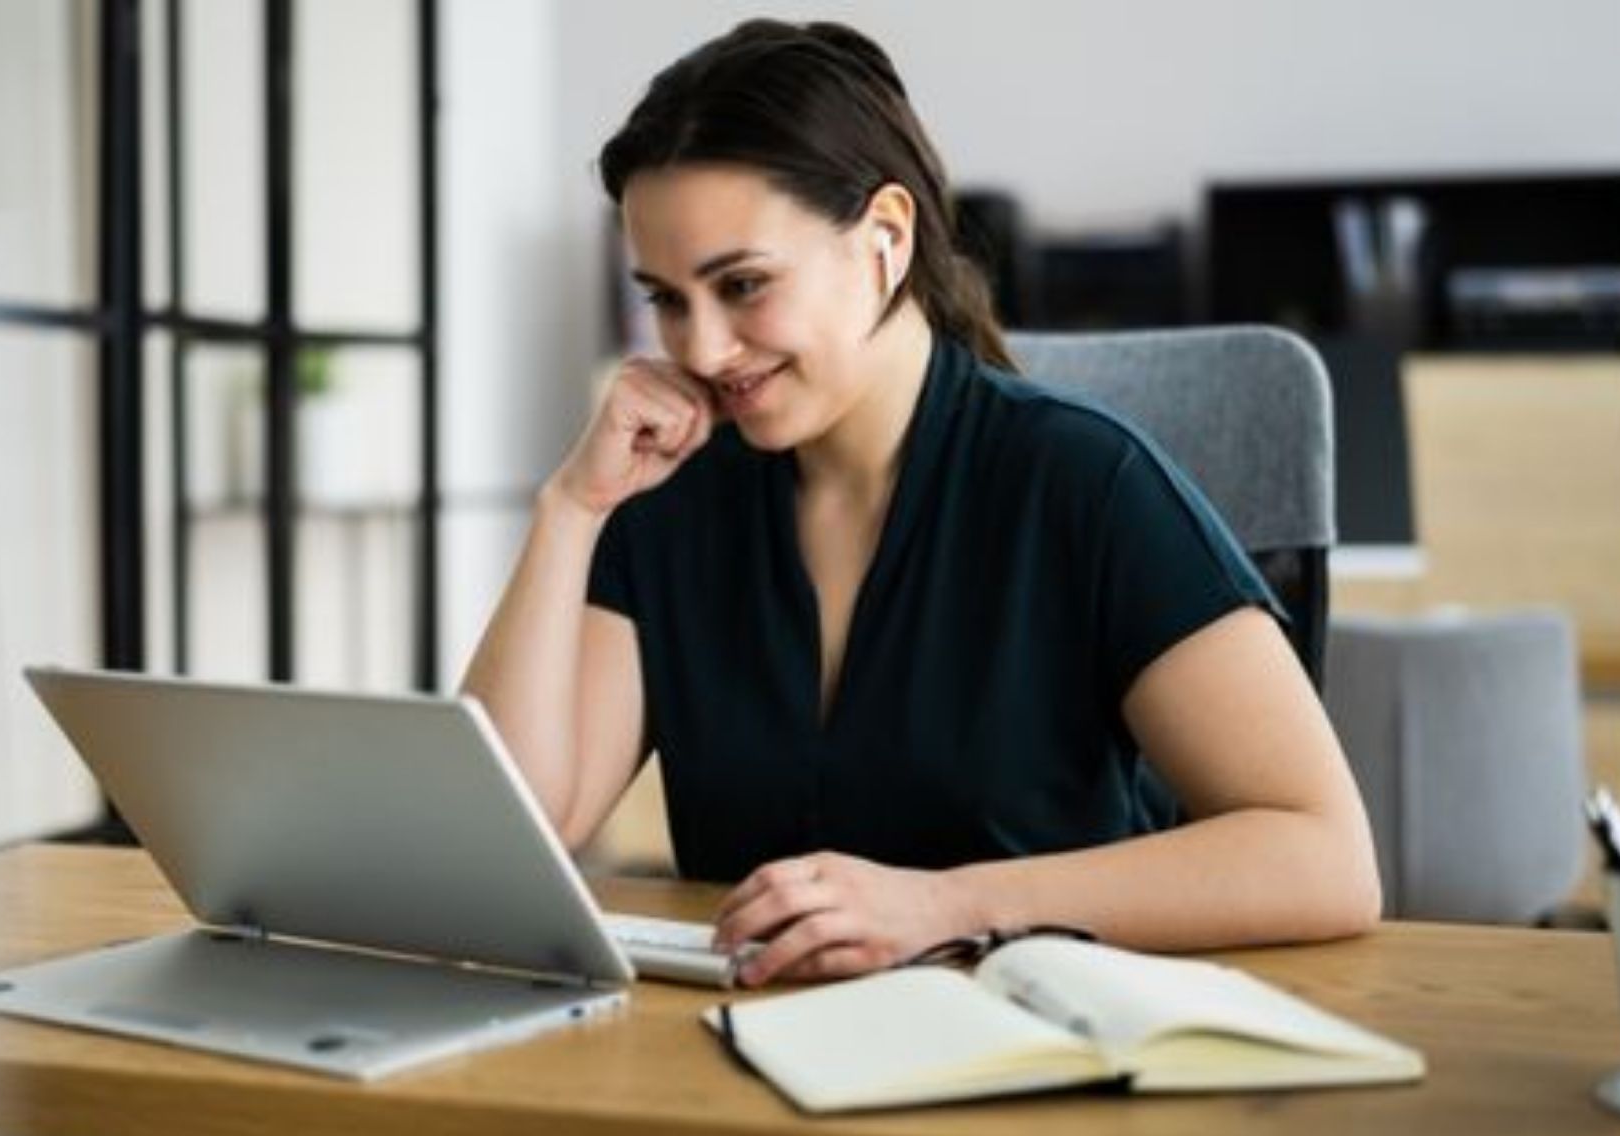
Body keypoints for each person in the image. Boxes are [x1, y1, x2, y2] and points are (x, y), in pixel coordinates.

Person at [462, 18, 1379, 987]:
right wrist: (569, 511)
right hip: (744, 1065)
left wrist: (948, 907)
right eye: (666, 299)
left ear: (884, 241)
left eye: (742, 285)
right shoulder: (671, 499)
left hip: (1038, 1065)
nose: (702, 349)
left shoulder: (1083, 483)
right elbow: (503, 847)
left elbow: (1322, 857)